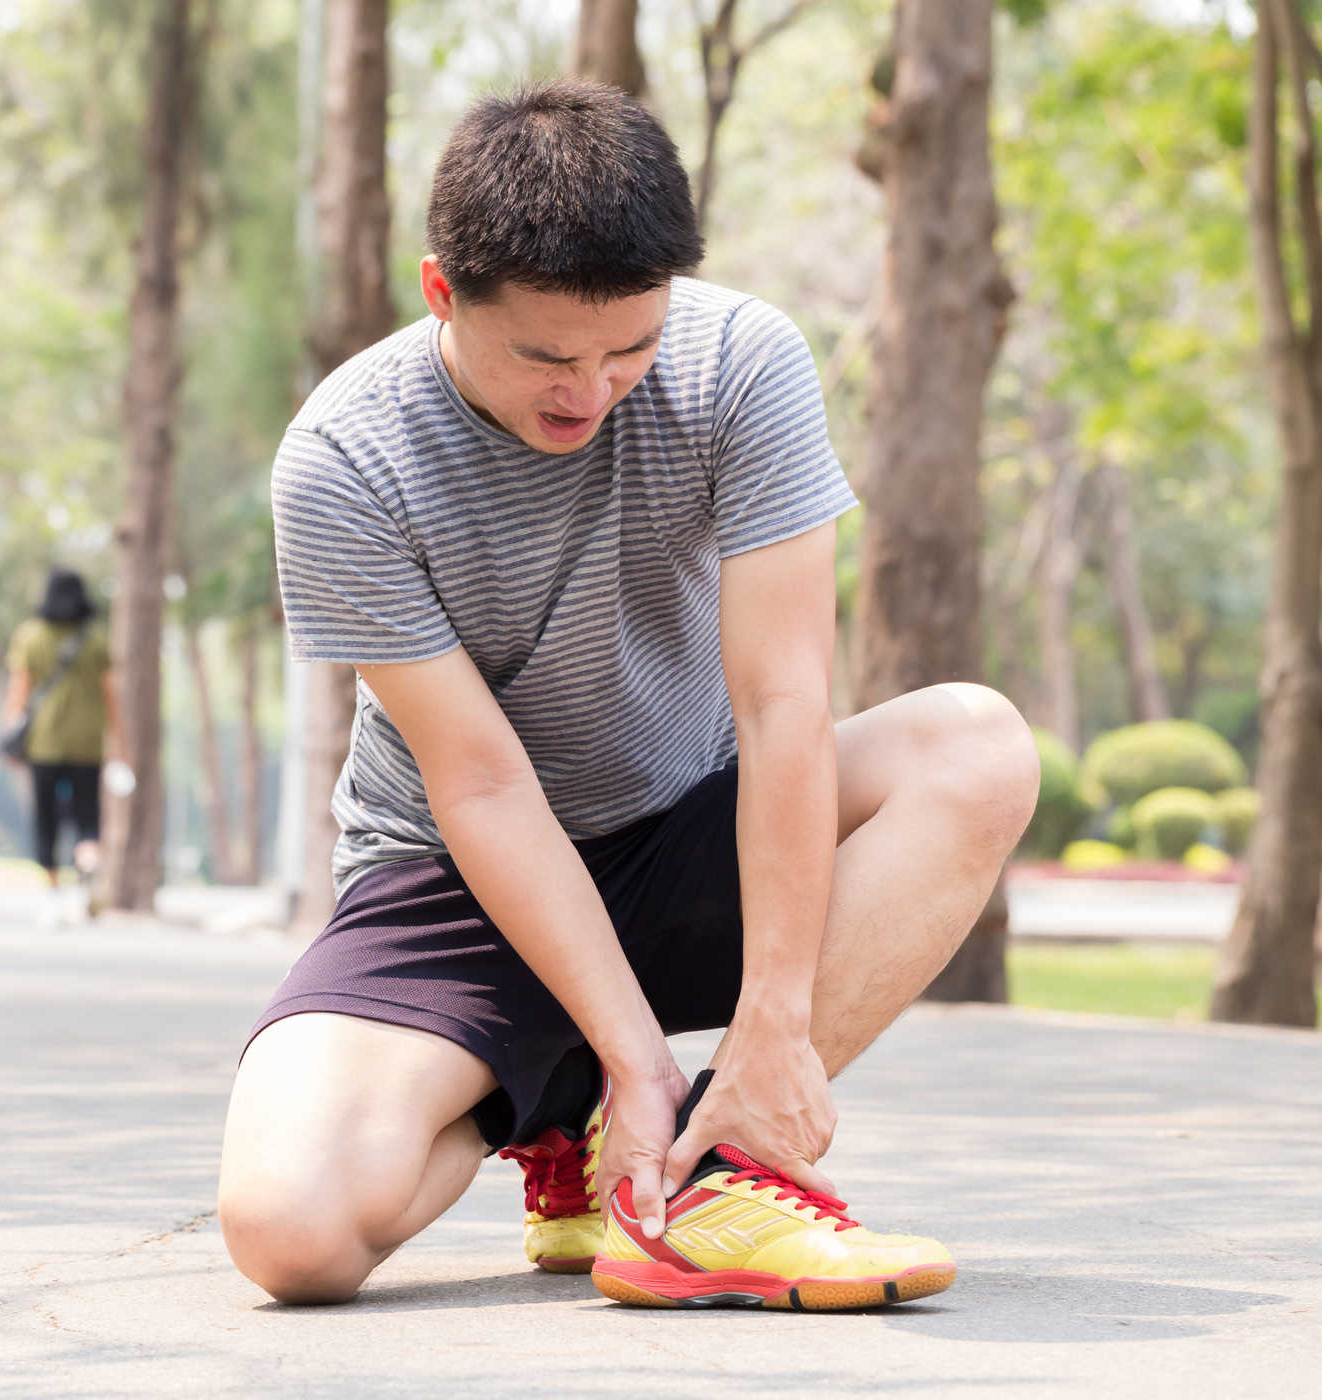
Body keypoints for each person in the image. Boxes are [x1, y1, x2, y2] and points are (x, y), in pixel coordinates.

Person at [218, 82, 1040, 1311]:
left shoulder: (741, 361)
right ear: (443, 290)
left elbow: (783, 705)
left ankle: (717, 1173)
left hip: (687, 830)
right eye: (547, 356)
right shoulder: (344, 460)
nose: (591, 391)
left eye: (629, 349)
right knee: (292, 1232)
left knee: (975, 744)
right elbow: (483, 782)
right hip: (459, 873)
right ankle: (564, 1112)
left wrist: (771, 1024)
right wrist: (629, 1051)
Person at [1, 568, 125, 922]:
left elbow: (19, 692)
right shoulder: (96, 640)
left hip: (44, 744)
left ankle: (53, 897)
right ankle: (86, 869)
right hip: (88, 743)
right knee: (87, 819)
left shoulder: (30, 635)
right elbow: (111, 698)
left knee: (46, 819)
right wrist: (119, 744)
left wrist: (9, 736)